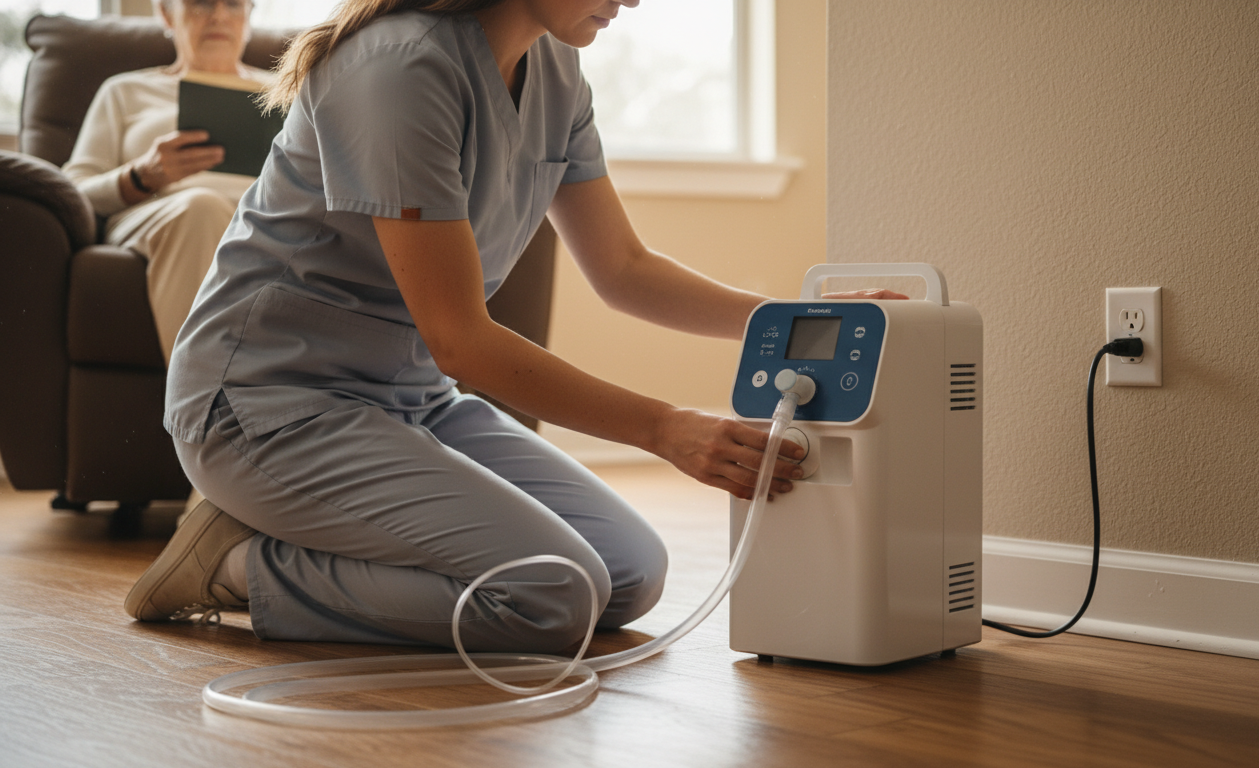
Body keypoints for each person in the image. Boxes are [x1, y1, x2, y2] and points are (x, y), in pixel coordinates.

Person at [124, 0, 906, 652]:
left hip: (408, 399)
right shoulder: (397, 68)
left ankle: (310, 535)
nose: (632, 0)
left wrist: (804, 320)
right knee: (550, 596)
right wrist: (667, 429)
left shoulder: (558, 71)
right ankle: (236, 566)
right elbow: (460, 338)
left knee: (630, 573)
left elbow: (624, 269)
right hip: (267, 403)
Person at [62, 0, 266, 363]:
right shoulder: (125, 91)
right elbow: (72, 192)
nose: (219, 15)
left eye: (233, 3)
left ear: (250, 16)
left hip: (263, 224)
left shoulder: (288, 92)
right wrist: (141, 175)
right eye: (201, 3)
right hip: (161, 215)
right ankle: (208, 410)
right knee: (199, 207)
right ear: (167, 14)